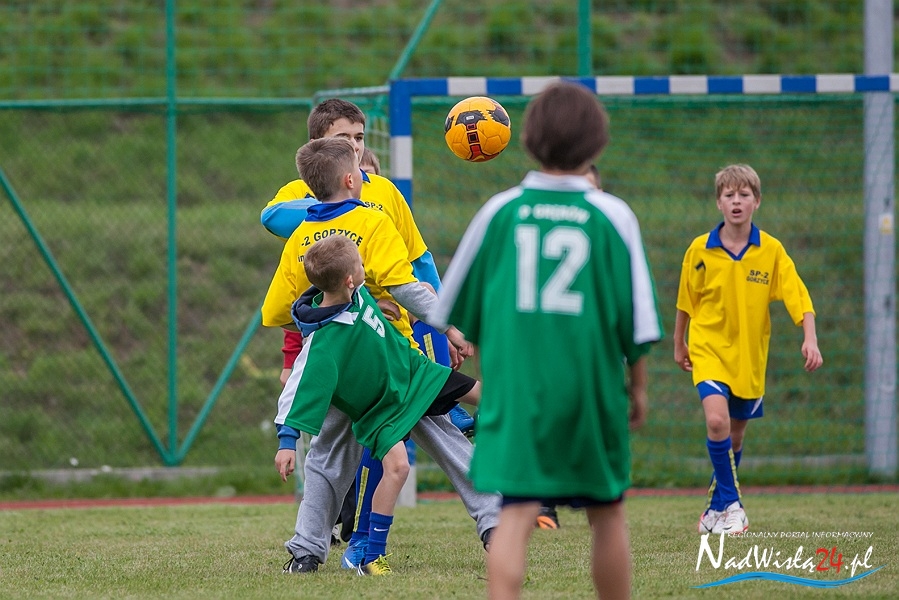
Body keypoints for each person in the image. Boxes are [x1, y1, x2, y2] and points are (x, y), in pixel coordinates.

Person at [435, 81, 663, 600]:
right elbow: (637, 325)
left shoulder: (499, 212)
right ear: (599, 143)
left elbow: (454, 312)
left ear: (525, 140)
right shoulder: (613, 215)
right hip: (591, 393)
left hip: (518, 397)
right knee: (608, 514)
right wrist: (639, 390)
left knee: (515, 512)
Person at [263, 136, 500, 573]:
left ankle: (306, 550)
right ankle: (495, 520)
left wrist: (324, 320)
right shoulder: (373, 220)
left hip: (340, 367)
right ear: (351, 179)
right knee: (442, 435)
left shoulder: (299, 238)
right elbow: (406, 287)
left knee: (328, 457)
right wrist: (449, 325)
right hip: (390, 358)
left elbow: (279, 309)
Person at [274, 234, 483, 576]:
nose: (365, 266)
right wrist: (287, 441)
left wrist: (413, 306)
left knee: (489, 396)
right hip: (381, 408)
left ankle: (495, 439)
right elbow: (297, 391)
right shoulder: (323, 345)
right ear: (349, 279)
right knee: (396, 468)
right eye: (360, 263)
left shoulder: (356, 294)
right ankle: (369, 555)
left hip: (415, 373)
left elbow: (405, 292)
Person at [674, 164, 823, 536]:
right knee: (716, 422)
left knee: (735, 437)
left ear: (757, 201)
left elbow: (799, 296)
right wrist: (679, 343)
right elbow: (685, 302)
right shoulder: (699, 249)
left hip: (749, 357)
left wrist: (810, 338)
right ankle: (734, 506)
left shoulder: (770, 250)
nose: (736, 201)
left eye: (744, 195)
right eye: (729, 195)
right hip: (708, 348)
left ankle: (715, 509)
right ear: (719, 203)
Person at [535, 162, 605, 533]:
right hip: (549, 346)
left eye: (591, 189)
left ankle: (583, 491)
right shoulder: (543, 234)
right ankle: (544, 503)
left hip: (592, 348)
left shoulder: (609, 234)